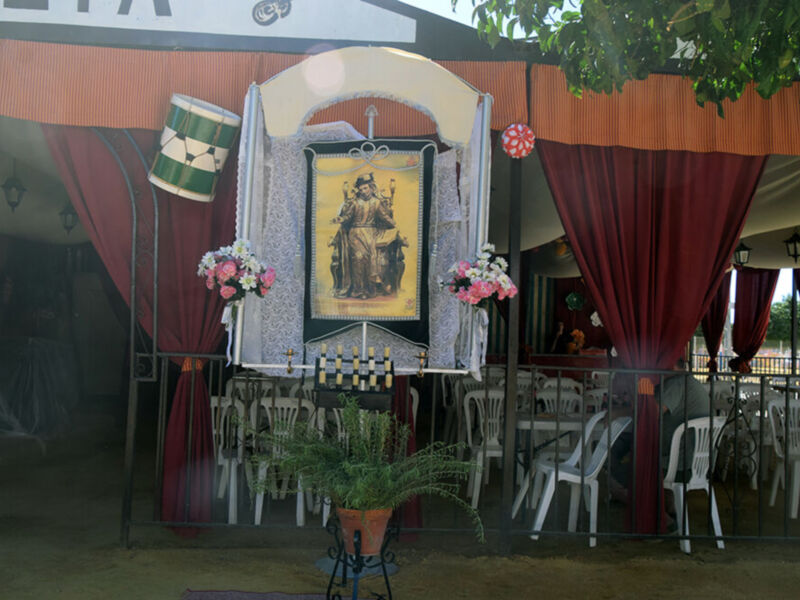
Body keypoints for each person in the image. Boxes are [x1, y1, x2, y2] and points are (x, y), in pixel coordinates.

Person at [608, 358, 711, 505]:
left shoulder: (676, 384)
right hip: (696, 466)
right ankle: (667, 506)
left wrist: (616, 413)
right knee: (626, 443)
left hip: (675, 467)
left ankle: (646, 507)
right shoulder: (690, 382)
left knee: (607, 462)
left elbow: (650, 412)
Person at [329, 173, 403, 299]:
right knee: (358, 258)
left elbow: (385, 217)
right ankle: (358, 290)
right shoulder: (354, 203)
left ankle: (370, 290)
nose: (363, 191)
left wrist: (394, 224)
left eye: (365, 188)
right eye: (361, 189)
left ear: (371, 188)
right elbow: (347, 218)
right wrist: (340, 219)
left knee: (370, 259)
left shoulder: (377, 202)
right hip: (356, 234)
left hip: (371, 234)